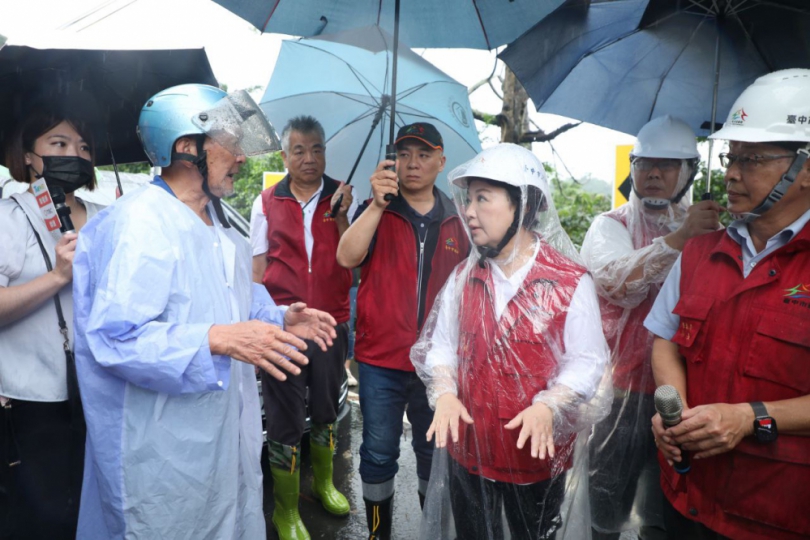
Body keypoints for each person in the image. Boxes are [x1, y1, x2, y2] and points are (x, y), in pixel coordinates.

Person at [72, 84, 338, 539]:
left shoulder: (221, 227)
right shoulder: (141, 223)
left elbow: (236, 302)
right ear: (186, 147)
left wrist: (278, 318)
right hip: (160, 448)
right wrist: (215, 340)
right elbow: (114, 339)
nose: (241, 159)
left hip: (221, 436)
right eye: (231, 145)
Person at [411, 143, 610, 540]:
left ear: (522, 205)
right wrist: (445, 392)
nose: (468, 211)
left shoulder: (568, 282)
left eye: (482, 198)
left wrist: (550, 405)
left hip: (535, 460)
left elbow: (588, 360)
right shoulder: (464, 278)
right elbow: (441, 346)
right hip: (469, 455)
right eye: (468, 199)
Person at [644, 69, 810, 540]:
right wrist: (671, 413)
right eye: (731, 157)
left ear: (806, 170)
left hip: (774, 511)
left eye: (753, 159)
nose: (732, 173)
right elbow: (665, 341)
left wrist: (747, 417)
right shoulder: (700, 251)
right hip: (686, 495)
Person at [581, 115, 722, 540]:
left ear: (688, 172)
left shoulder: (710, 229)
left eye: (667, 165)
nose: (654, 174)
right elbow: (616, 281)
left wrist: (705, 237)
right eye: (644, 164)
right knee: (606, 500)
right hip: (620, 391)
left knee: (666, 504)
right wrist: (680, 239)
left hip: (682, 390)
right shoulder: (612, 225)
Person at [336, 122, 470, 540]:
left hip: (437, 366)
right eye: (405, 154)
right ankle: (378, 533)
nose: (414, 163)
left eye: (424, 154)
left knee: (435, 454)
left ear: (441, 161)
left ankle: (432, 531)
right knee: (378, 452)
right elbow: (347, 257)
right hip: (380, 361)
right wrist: (375, 205)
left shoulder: (458, 219)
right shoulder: (381, 210)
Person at [249, 115, 356, 539]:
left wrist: (345, 215)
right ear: (285, 156)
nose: (309, 158)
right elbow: (258, 269)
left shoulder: (342, 197)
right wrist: (259, 325)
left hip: (331, 322)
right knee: (285, 417)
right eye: (299, 150)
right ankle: (286, 509)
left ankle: (325, 483)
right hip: (285, 327)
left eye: (316, 149)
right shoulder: (265, 201)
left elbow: (354, 261)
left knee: (328, 409)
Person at [0, 109, 102, 539]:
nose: (73, 155)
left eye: (82, 147)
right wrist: (58, 277)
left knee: (94, 508)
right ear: (28, 156)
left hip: (103, 394)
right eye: (58, 144)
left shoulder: (106, 216)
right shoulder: (10, 216)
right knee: (42, 518)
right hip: (33, 401)